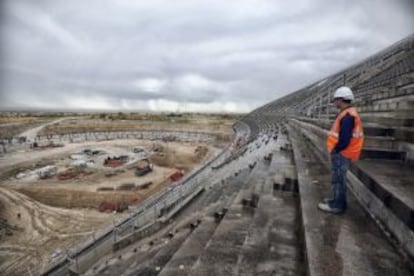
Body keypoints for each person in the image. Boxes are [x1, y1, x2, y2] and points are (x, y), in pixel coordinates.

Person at [318, 86, 364, 214]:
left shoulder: (348, 116)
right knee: (338, 179)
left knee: (338, 179)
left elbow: (344, 139)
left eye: (335, 100)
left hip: (342, 153)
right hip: (343, 152)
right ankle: (336, 200)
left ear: (341, 100)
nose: (334, 102)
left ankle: (337, 205)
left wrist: (336, 150)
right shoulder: (348, 113)